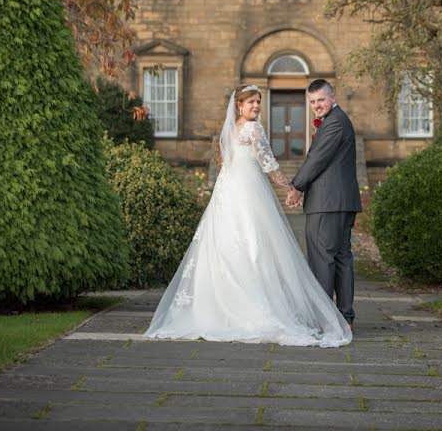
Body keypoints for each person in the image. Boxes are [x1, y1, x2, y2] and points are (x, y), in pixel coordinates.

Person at [145, 85, 352, 347]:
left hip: (228, 197)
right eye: (251, 102)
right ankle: (253, 310)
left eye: (258, 102)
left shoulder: (230, 131)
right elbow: (269, 165)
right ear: (238, 105)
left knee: (232, 249)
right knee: (253, 248)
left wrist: (294, 187)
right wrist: (291, 188)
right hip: (245, 197)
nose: (255, 107)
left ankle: (223, 310)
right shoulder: (253, 129)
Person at [286, 80, 361, 330]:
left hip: (327, 202)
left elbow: (317, 159)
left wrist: (296, 186)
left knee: (323, 260)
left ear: (333, 97)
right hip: (339, 201)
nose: (317, 106)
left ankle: (325, 319)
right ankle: (344, 318)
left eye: (321, 100)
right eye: (313, 102)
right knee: (341, 258)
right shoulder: (336, 120)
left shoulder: (335, 123)